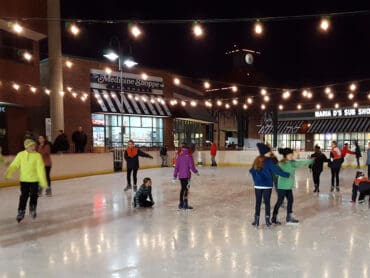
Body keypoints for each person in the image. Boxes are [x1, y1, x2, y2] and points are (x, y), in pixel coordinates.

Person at [5, 139, 47, 222]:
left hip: (35, 180)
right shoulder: (20, 155)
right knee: (24, 195)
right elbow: (14, 165)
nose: (34, 147)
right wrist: (9, 173)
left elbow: (40, 169)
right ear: (27, 146)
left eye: (34, 145)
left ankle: (32, 207)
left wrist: (43, 181)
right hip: (24, 180)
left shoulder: (37, 156)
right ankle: (21, 211)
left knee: (34, 195)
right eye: (32, 145)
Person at [250, 143, 290, 227]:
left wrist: (256, 181)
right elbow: (276, 171)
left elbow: (252, 171)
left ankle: (256, 221)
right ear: (265, 152)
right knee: (267, 203)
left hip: (258, 185)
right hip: (267, 185)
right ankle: (267, 221)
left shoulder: (256, 160)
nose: (269, 153)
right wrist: (287, 175)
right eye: (268, 152)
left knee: (258, 203)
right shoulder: (269, 161)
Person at [272, 148, 313, 224]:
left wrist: (311, 160)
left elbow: (301, 163)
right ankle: (274, 217)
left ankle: (289, 217)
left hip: (289, 186)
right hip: (282, 186)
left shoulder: (292, 162)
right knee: (280, 201)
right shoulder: (281, 163)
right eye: (289, 155)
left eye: (291, 154)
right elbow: (275, 173)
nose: (291, 156)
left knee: (290, 200)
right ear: (285, 155)